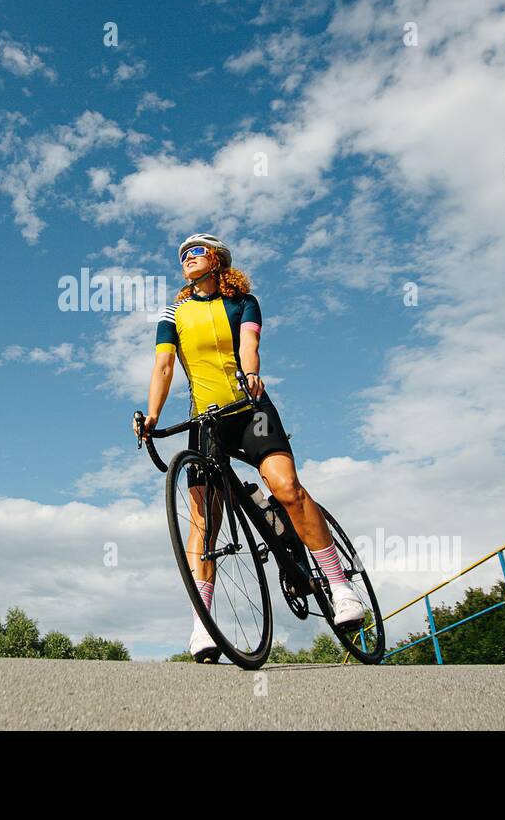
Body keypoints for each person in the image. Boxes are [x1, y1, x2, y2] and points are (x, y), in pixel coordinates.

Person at [134, 233, 364, 662]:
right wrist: (151, 416)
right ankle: (203, 623)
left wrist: (252, 373)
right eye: (182, 255)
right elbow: (164, 365)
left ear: (218, 259)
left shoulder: (244, 301)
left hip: (249, 409)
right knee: (203, 521)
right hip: (206, 420)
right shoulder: (174, 311)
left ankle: (340, 584)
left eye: (196, 251)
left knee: (286, 487)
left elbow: (248, 345)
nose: (186, 258)